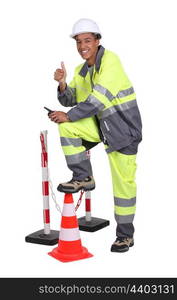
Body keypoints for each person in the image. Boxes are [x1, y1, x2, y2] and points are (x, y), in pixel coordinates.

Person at [49, 18, 142, 253]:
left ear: (98, 41)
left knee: (123, 188)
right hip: (102, 127)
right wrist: (61, 84)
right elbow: (71, 98)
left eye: (87, 40)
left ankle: (125, 237)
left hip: (124, 132)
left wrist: (68, 115)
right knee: (67, 127)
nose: (82, 46)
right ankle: (83, 177)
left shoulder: (111, 62)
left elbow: (97, 100)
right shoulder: (83, 70)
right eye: (78, 42)